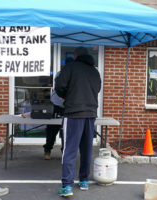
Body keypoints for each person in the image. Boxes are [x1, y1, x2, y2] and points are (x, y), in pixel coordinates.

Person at [55, 47, 101, 197]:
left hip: (73, 113)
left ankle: (67, 186)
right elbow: (98, 89)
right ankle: (84, 181)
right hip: (90, 113)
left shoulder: (70, 67)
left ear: (75, 56)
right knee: (87, 148)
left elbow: (59, 86)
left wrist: (67, 96)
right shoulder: (95, 71)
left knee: (70, 149)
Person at [43, 57, 74, 160]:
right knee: (51, 130)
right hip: (56, 105)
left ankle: (64, 152)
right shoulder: (60, 74)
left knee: (66, 132)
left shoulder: (75, 75)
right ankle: (47, 150)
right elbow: (61, 88)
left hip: (68, 107)